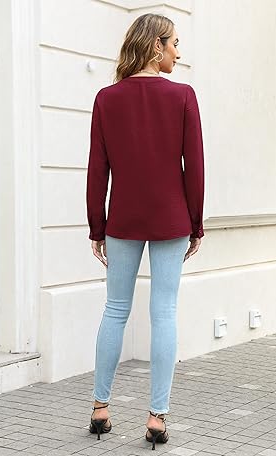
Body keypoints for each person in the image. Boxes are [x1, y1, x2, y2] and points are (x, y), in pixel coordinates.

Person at [86, 13, 205, 450]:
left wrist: (96, 226)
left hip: (122, 220)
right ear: (157, 46)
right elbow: (195, 166)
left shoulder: (107, 99)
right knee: (164, 312)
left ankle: (100, 408)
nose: (178, 52)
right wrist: (196, 223)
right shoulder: (183, 96)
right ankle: (157, 416)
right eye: (175, 43)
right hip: (172, 219)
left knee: (115, 309)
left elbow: (97, 169)